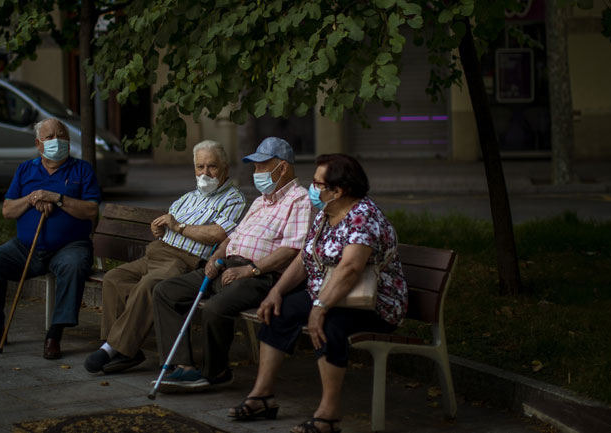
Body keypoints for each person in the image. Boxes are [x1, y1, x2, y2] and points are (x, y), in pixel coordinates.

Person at [227, 154, 407, 433]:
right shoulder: (327, 214)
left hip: (375, 304)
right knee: (279, 309)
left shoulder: (363, 217)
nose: (312, 188)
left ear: (338, 191)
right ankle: (262, 396)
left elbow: (349, 268)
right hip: (329, 293)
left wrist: (320, 306)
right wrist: (276, 291)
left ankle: (329, 415)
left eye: (318, 183)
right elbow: (303, 259)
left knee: (329, 323)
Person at [151, 137, 312, 392]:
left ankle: (217, 372)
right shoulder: (261, 200)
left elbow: (291, 250)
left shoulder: (299, 200)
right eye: (255, 167)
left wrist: (249, 269)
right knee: (164, 292)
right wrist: (216, 257)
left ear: (282, 168)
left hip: (261, 274)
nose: (256, 173)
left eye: (261, 167)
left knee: (215, 308)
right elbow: (232, 237)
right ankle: (183, 367)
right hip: (228, 265)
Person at [83, 140, 246, 374]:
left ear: (225, 169)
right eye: (200, 167)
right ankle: (122, 348)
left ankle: (113, 348)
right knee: (114, 278)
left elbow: (218, 233)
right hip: (155, 253)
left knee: (149, 285)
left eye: (212, 166)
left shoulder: (234, 198)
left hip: (184, 261)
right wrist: (160, 229)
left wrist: (178, 227)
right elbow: (168, 223)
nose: (205, 173)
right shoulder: (188, 197)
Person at [0, 117, 100, 360]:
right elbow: (7, 210)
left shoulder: (82, 170)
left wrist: (56, 198)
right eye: (50, 137)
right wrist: (32, 198)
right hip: (25, 247)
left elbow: (91, 210)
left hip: (70, 246)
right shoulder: (25, 169)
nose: (57, 141)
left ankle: (55, 333)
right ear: (38, 144)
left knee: (73, 266)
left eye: (61, 135)